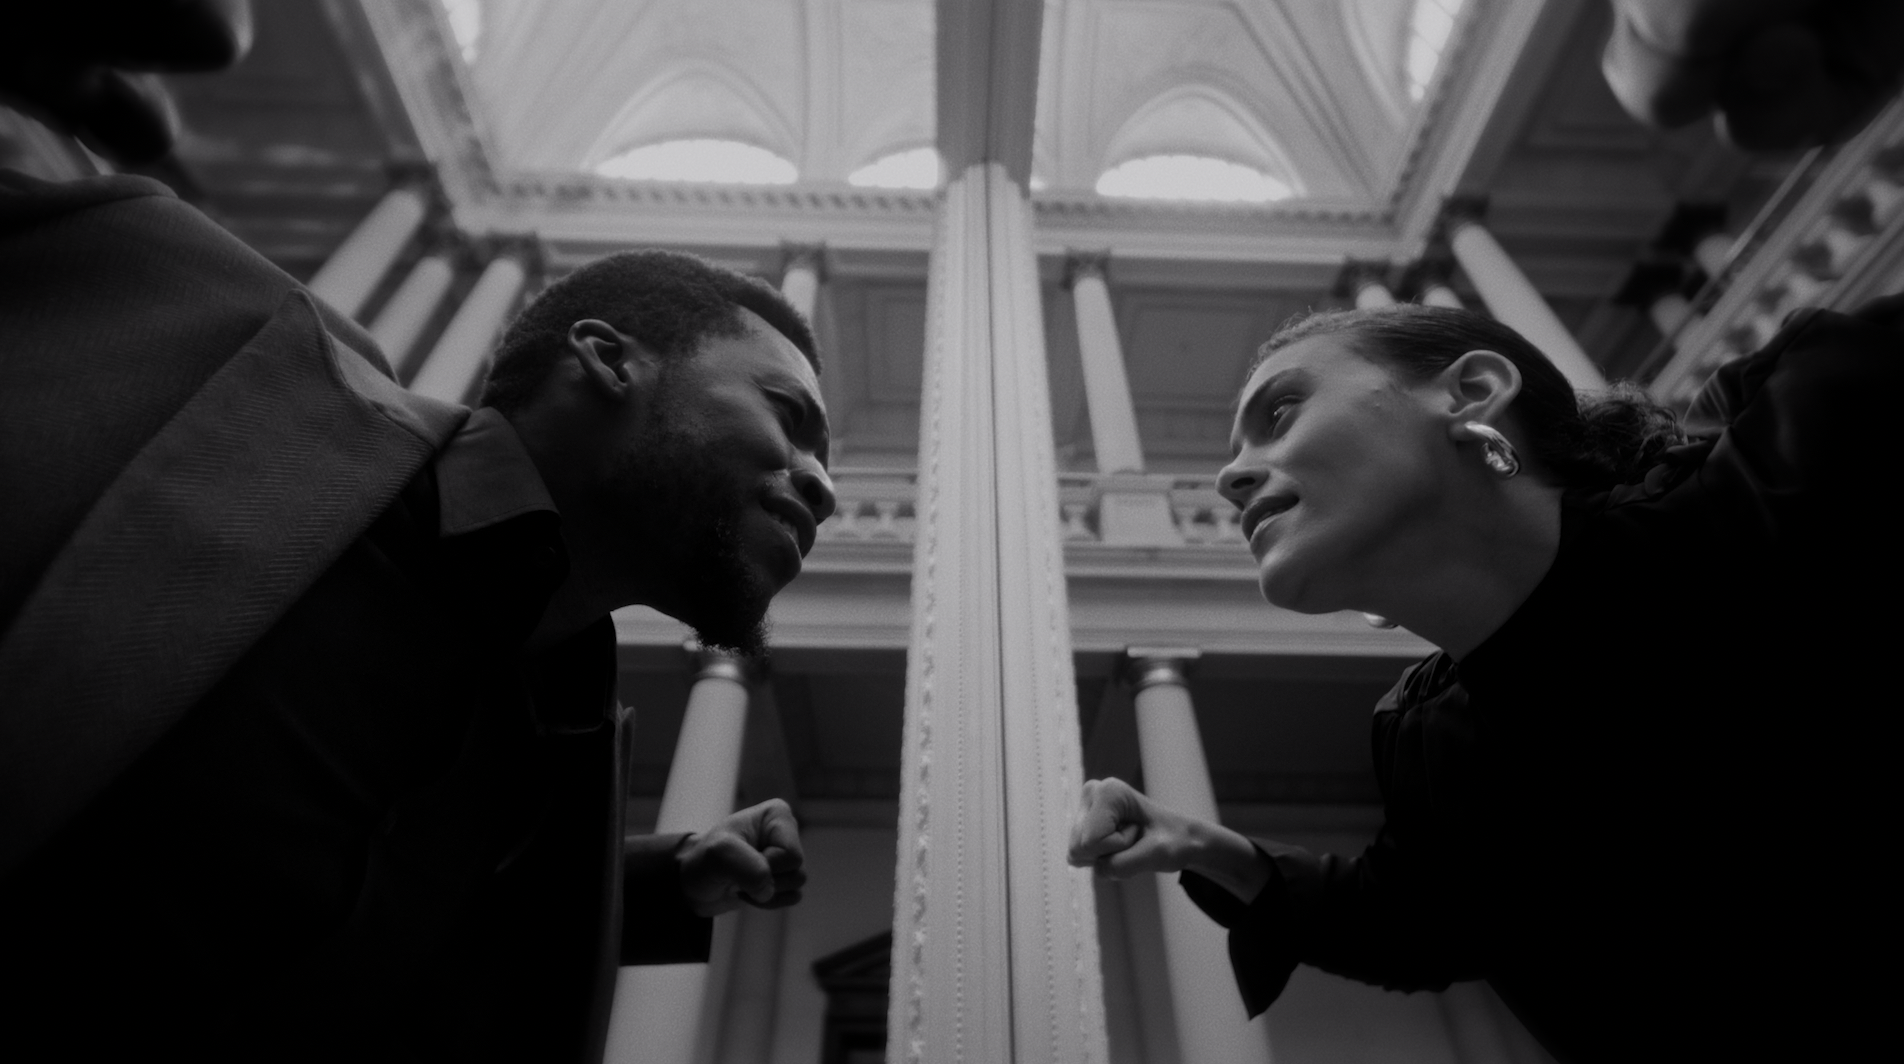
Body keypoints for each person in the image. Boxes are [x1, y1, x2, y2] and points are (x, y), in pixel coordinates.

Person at [0, 162, 834, 1058]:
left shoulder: (568, 737)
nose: (823, 486)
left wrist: (662, 877)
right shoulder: (234, 355)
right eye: (788, 416)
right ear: (606, 357)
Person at [1069, 298, 1898, 1059]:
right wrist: (1200, 845)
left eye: (1280, 413)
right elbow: (1412, 919)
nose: (1229, 478)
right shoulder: (1430, 738)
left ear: (1472, 392)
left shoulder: (1803, 444)